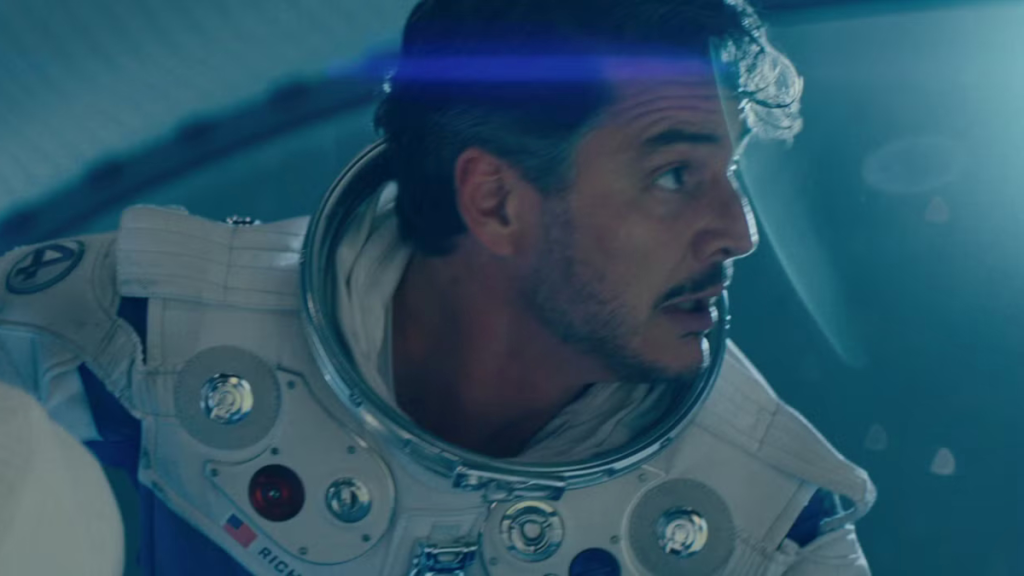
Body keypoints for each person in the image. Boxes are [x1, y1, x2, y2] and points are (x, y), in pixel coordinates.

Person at [0, 0, 875, 574]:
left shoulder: (770, 531)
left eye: (733, 173)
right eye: (676, 175)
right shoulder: (136, 328)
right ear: (495, 201)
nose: (740, 232)